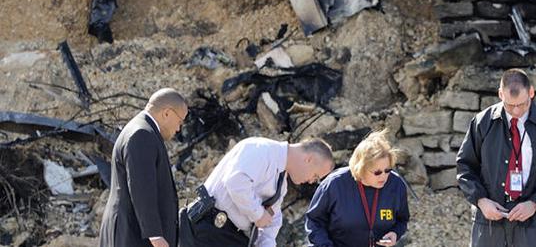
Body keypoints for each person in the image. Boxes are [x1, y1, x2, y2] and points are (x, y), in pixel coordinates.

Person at [456, 68, 536, 247]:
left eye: (522, 104)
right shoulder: (482, 122)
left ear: (531, 93)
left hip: (531, 222)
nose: (517, 111)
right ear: (500, 94)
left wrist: (535, 203)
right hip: (488, 222)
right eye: (510, 105)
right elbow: (465, 167)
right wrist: (480, 200)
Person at [179, 137, 335, 247]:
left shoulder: (281, 181)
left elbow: (272, 222)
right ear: (308, 159)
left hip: (228, 236)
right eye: (315, 176)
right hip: (208, 229)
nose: (311, 181)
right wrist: (258, 214)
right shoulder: (261, 150)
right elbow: (235, 182)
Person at [98, 88, 188, 247]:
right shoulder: (142, 134)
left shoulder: (142, 130)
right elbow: (141, 187)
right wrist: (155, 234)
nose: (178, 128)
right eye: (180, 121)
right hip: (133, 235)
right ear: (167, 113)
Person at [305, 130, 410, 247]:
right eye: (377, 172)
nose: (384, 176)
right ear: (361, 168)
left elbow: (402, 220)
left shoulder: (396, 185)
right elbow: (314, 221)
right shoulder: (334, 184)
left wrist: (395, 233)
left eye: (387, 170)